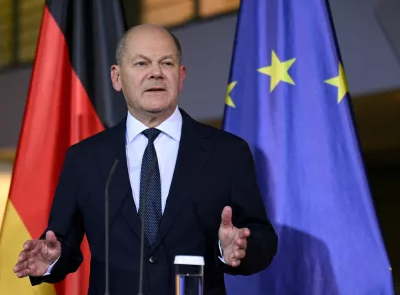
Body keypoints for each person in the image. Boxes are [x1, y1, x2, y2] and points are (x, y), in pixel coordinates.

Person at [13, 24, 278, 295]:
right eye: (141, 63)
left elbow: (262, 239)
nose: (156, 73)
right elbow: (63, 243)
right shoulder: (85, 159)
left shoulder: (227, 152)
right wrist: (51, 259)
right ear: (116, 78)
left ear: (181, 75)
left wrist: (233, 248)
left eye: (167, 63)